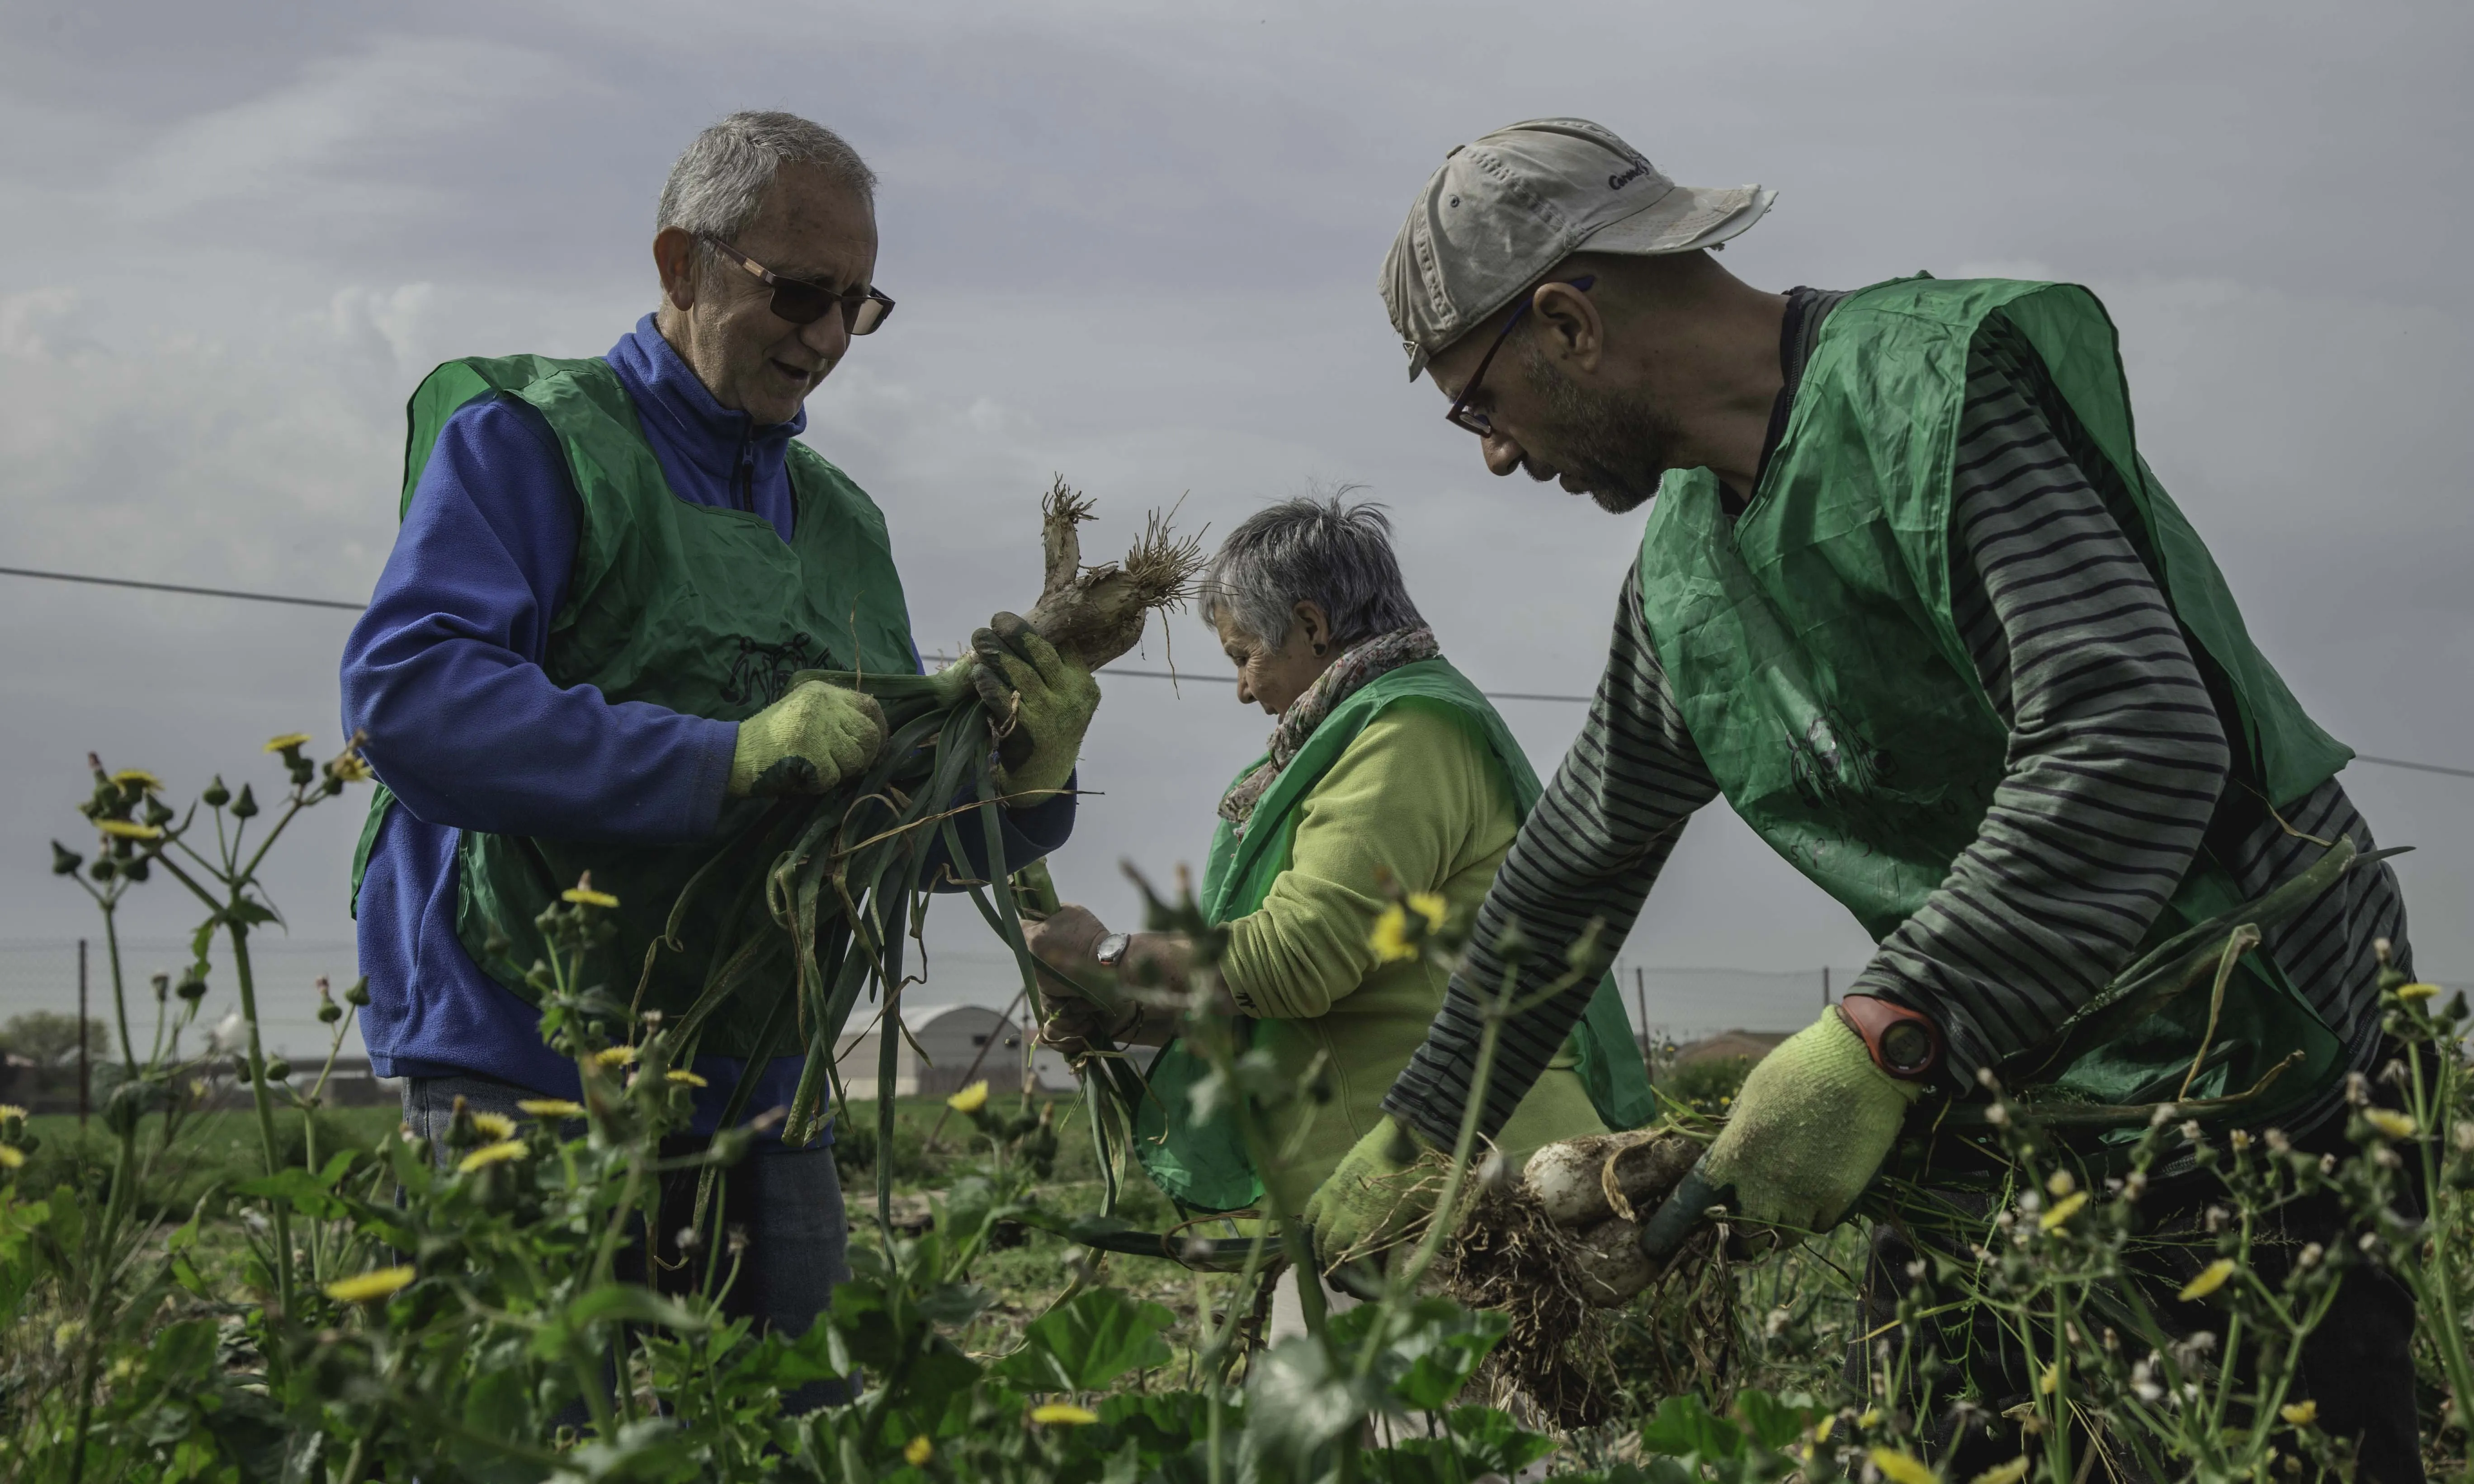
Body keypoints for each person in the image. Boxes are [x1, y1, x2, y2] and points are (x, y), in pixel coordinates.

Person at [1304, 118, 2420, 1479]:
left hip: (2244, 1067)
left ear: (1565, 324)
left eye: (1480, 405)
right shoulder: (1685, 570)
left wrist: (1882, 1032)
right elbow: (1575, 864)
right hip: (1999, 1105)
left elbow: (2134, 738)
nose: (1491, 454)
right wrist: (1423, 1131)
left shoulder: (1923, 395)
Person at [340, 112, 1097, 1399]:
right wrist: (729, 758)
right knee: (515, 1435)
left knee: (794, 1431)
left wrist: (1021, 785)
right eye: (800, 292)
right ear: (681, 262)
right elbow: (414, 700)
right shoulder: (535, 439)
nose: (825, 337)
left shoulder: (843, 524)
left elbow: (878, 825)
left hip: (753, 1077)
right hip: (523, 1056)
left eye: (858, 307)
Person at [1026, 497, 1654, 1330]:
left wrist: (1105, 953)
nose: (1246, 690)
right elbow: (1303, 992)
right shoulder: (1352, 737)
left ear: (1312, 626)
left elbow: (1300, 958)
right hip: (1381, 1199)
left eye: (1245, 656)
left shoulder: (1407, 733)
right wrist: (1125, 1007)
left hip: (1463, 1204)